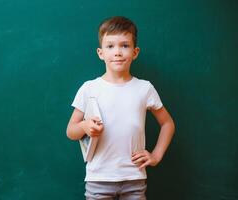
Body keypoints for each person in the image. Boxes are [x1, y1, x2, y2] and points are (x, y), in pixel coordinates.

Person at [66, 16, 175, 200]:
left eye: (124, 45)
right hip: (99, 179)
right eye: (110, 46)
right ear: (100, 53)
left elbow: (167, 123)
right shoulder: (89, 88)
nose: (117, 52)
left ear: (135, 52)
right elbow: (71, 131)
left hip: (134, 178)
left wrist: (155, 155)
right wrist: (85, 126)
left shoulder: (144, 88)